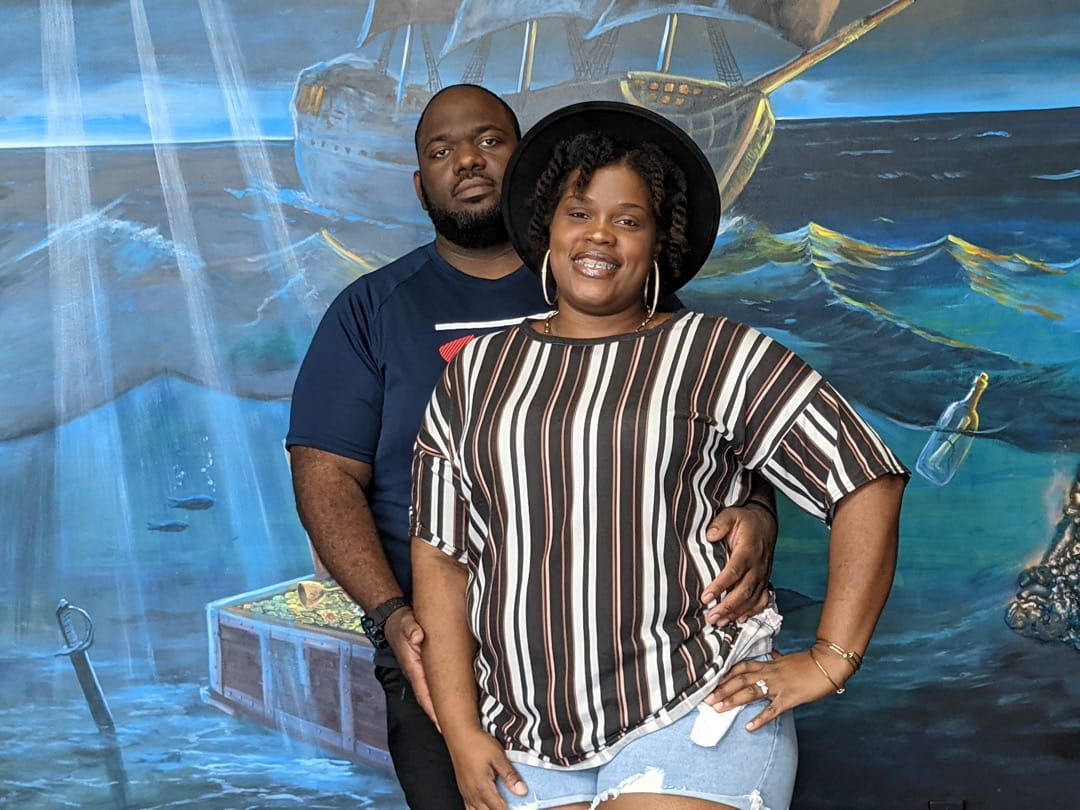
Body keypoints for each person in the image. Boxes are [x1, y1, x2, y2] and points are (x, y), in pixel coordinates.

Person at [287, 84, 781, 810]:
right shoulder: (371, 310)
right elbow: (324, 476)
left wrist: (759, 510)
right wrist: (392, 615)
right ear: (419, 184)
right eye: (441, 150)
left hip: (632, 649)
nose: (467, 160)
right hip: (436, 640)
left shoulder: (605, 278)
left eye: (489, 140)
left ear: (530, 171)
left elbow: (709, 418)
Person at [410, 100, 908, 810]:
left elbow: (863, 476)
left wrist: (832, 657)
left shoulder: (714, 351)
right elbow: (441, 556)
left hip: (693, 705)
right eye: (579, 213)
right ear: (548, 228)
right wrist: (460, 729)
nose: (599, 235)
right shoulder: (475, 372)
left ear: (658, 244)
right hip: (522, 736)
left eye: (628, 220)